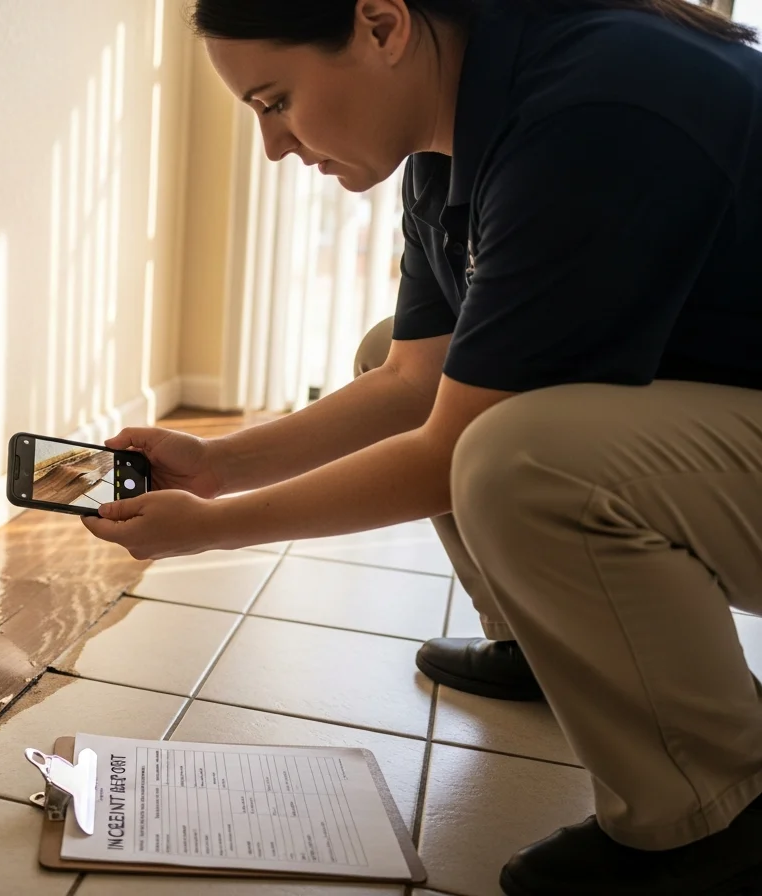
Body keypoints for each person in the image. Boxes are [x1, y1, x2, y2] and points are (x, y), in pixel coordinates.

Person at [80, 0, 762, 892]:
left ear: (382, 25)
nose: (275, 146)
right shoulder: (448, 149)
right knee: (399, 361)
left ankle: (719, 819)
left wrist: (212, 530)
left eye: (274, 100)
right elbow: (411, 383)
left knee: (518, 457)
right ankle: (544, 642)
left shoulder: (597, 104)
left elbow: (453, 446)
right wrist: (219, 466)